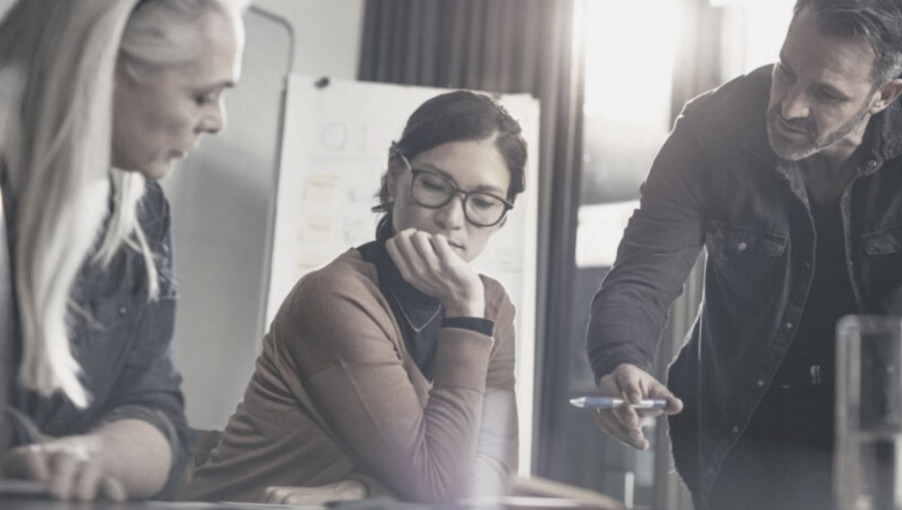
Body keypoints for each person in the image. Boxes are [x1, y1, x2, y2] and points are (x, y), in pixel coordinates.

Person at [585, 1, 902, 509]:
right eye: (785, 72)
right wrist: (621, 357)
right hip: (739, 424)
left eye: (826, 94)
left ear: (883, 96)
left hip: (882, 426)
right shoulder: (710, 128)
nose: (790, 107)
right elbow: (642, 272)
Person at [180, 90, 526, 506]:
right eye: (434, 185)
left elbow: (495, 474)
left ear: (502, 217)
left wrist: (364, 489)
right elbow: (439, 491)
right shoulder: (336, 297)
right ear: (395, 176)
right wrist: (465, 315)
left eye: (483, 202)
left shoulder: (493, 306)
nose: (452, 219)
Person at [0, 0, 244, 501]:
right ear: (105, 69)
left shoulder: (141, 213)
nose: (217, 121)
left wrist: (93, 455)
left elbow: (159, 415)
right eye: (202, 95)